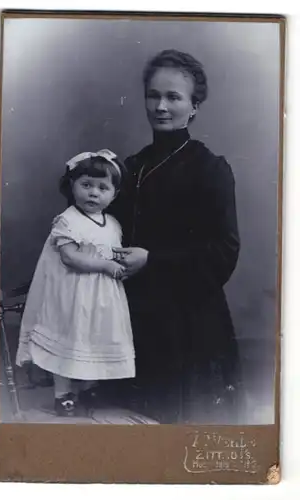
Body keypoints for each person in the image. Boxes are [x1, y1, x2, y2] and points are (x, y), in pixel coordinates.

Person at [111, 49, 243, 424]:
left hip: (190, 330)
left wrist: (152, 261)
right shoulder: (131, 166)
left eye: (174, 97)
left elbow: (223, 254)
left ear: (194, 105)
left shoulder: (209, 168)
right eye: (154, 95)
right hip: (133, 322)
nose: (161, 106)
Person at [16, 149, 135, 417]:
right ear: (72, 186)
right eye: (86, 185)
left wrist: (120, 265)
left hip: (100, 297)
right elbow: (70, 258)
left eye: (102, 188)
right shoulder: (68, 220)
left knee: (91, 339)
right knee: (70, 338)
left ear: (114, 195)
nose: (93, 193)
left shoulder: (113, 224)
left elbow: (111, 252)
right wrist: (107, 266)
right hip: (72, 294)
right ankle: (63, 394)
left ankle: (87, 387)